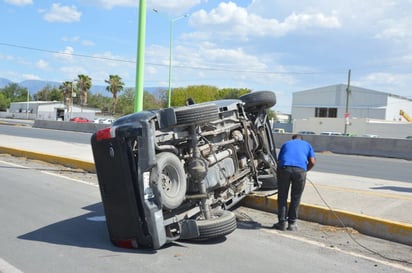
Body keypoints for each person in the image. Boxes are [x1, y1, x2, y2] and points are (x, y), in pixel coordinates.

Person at [273, 134, 316, 231]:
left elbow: (279, 162)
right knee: (296, 197)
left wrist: (278, 174)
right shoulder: (307, 145)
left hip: (285, 169)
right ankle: (292, 224)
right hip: (300, 171)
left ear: (292, 139)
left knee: (282, 196)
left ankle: (282, 223)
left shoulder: (286, 144)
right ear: (301, 140)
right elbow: (312, 162)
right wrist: (304, 170)